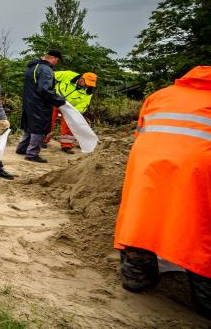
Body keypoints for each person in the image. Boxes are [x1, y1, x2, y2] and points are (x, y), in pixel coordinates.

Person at [113, 66, 211, 318]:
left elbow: (141, 136)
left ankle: (136, 275)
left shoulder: (158, 96)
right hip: (198, 176)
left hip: (147, 168)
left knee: (143, 219)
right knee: (200, 231)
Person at [16, 49, 66, 162]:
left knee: (30, 126)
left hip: (29, 102)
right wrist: (59, 100)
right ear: (53, 58)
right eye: (57, 60)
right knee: (39, 128)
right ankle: (32, 154)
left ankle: (22, 148)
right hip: (40, 104)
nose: (56, 62)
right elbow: (45, 89)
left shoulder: (32, 66)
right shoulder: (46, 69)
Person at [43, 71, 97, 154]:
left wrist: (75, 113)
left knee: (69, 125)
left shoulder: (88, 92)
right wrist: (49, 89)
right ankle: (43, 140)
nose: (87, 85)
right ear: (81, 78)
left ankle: (66, 145)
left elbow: (83, 105)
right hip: (54, 100)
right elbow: (50, 76)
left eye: (90, 84)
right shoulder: (68, 75)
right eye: (86, 83)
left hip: (69, 108)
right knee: (48, 120)